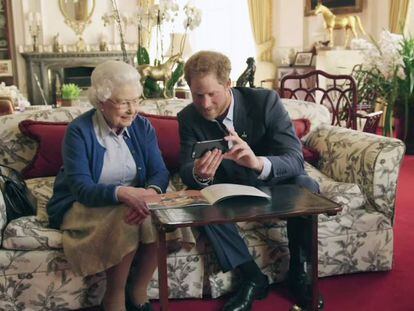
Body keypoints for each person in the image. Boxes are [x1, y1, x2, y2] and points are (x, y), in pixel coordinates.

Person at [177, 51, 323, 311]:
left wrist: (257, 163)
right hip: (229, 191)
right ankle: (252, 277)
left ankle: (299, 272)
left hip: (272, 185)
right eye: (198, 95)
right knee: (194, 198)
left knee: (307, 186)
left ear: (228, 84)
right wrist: (200, 173)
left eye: (212, 94)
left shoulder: (265, 102)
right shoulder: (188, 117)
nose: (206, 103)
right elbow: (186, 168)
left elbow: (294, 159)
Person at [47, 60, 167, 311]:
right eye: (123, 102)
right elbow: (81, 188)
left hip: (135, 200)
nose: (132, 109)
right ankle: (114, 298)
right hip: (82, 203)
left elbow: (159, 171)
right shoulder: (79, 131)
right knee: (127, 217)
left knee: (158, 215)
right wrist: (123, 193)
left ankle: (138, 290)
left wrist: (152, 193)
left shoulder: (142, 126)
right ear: (101, 101)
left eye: (136, 100)